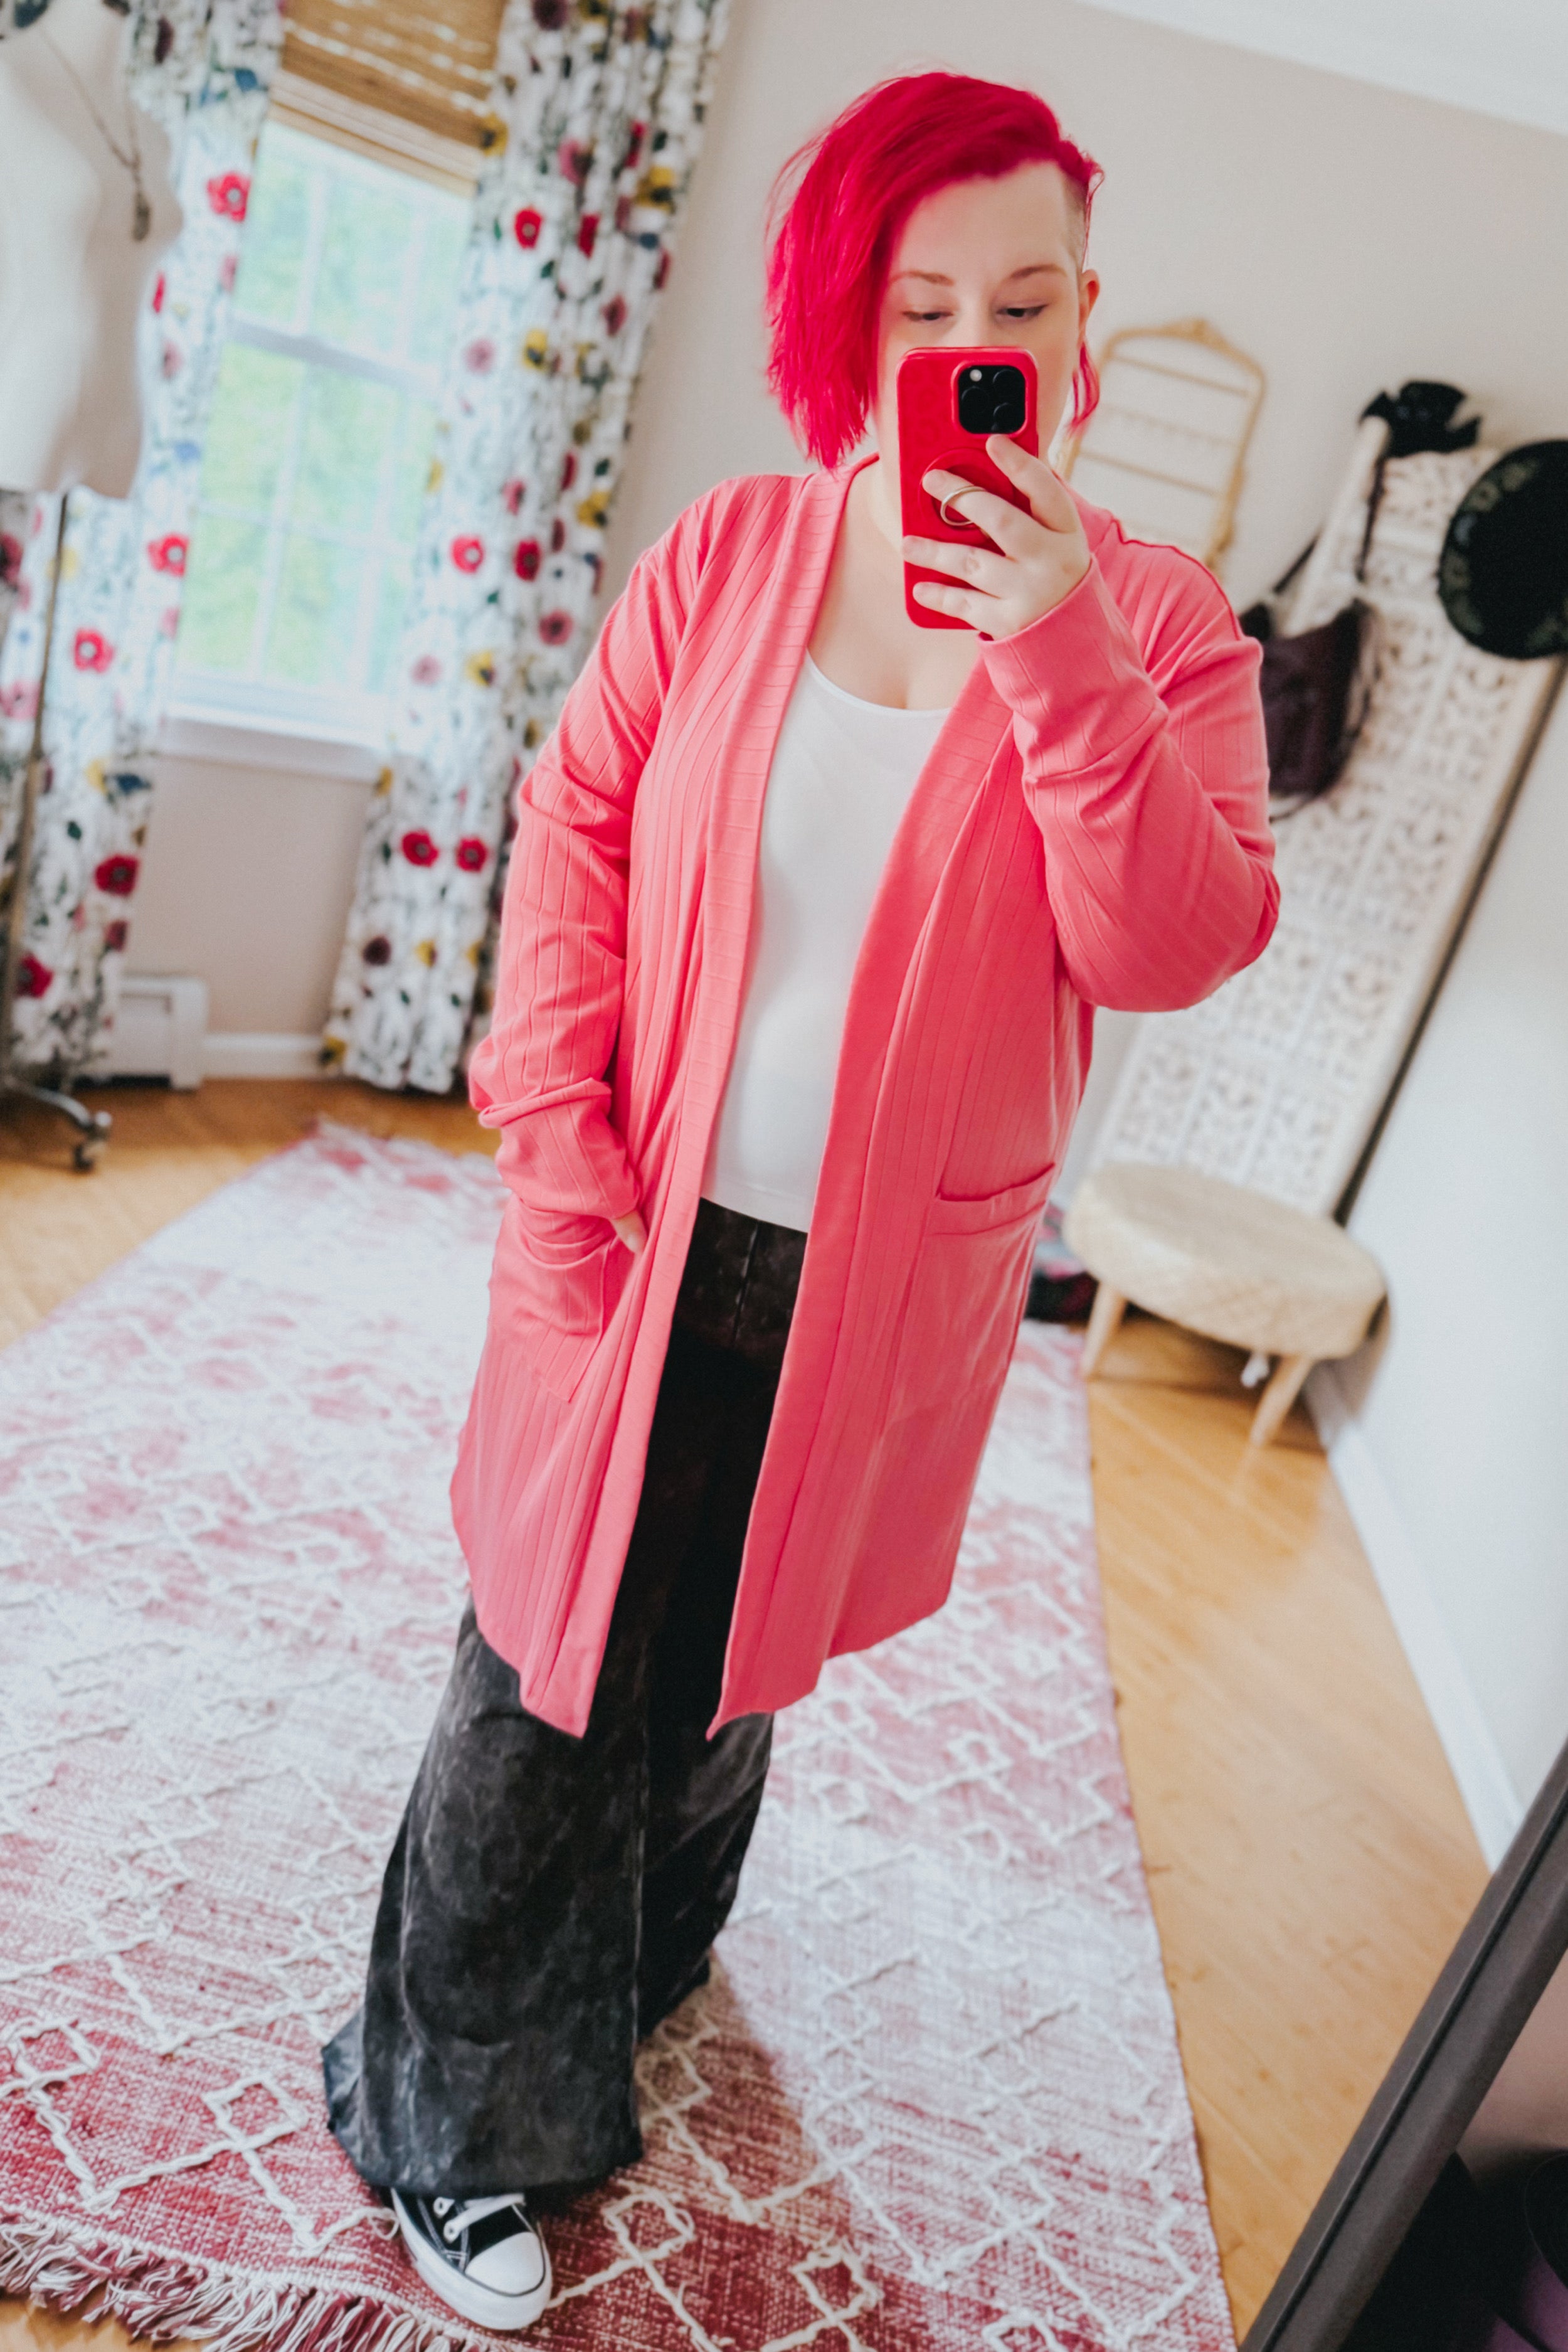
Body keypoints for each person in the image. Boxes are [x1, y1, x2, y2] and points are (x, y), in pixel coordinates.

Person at [321, 69, 1278, 2332]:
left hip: (886, 1280)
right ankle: (443, 2119)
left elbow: (1170, 938)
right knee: (539, 1677)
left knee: (728, 1662)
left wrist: (1051, 637)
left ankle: (631, 1990)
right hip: (629, 1234)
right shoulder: (731, 558)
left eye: (1023, 302)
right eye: (926, 302)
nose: (979, 340)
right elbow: (572, 831)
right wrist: (552, 1124)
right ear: (855, 329)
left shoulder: (1160, 624)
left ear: (1084, 329)